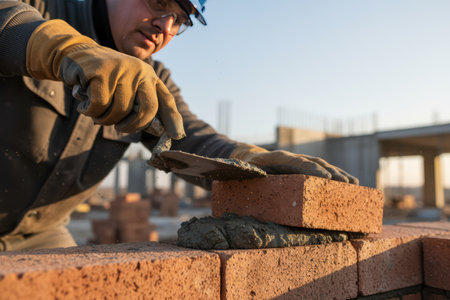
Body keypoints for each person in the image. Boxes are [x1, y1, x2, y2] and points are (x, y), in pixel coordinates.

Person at [0, 0, 358, 251]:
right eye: (158, 3)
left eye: (180, 20)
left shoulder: (152, 80)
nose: (165, 27)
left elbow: (191, 140)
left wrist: (249, 160)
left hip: (40, 234)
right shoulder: (43, 7)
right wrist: (63, 49)